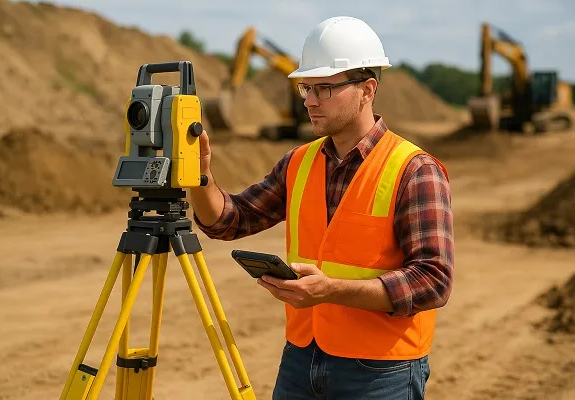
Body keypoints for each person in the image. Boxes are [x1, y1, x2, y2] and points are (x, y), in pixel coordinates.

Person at [190, 16, 454, 400]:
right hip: (301, 360)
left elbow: (433, 281)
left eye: (325, 88)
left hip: (381, 370)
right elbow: (228, 221)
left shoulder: (415, 170)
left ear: (367, 90)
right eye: (306, 88)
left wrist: (330, 290)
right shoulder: (299, 162)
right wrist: (199, 175)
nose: (310, 101)